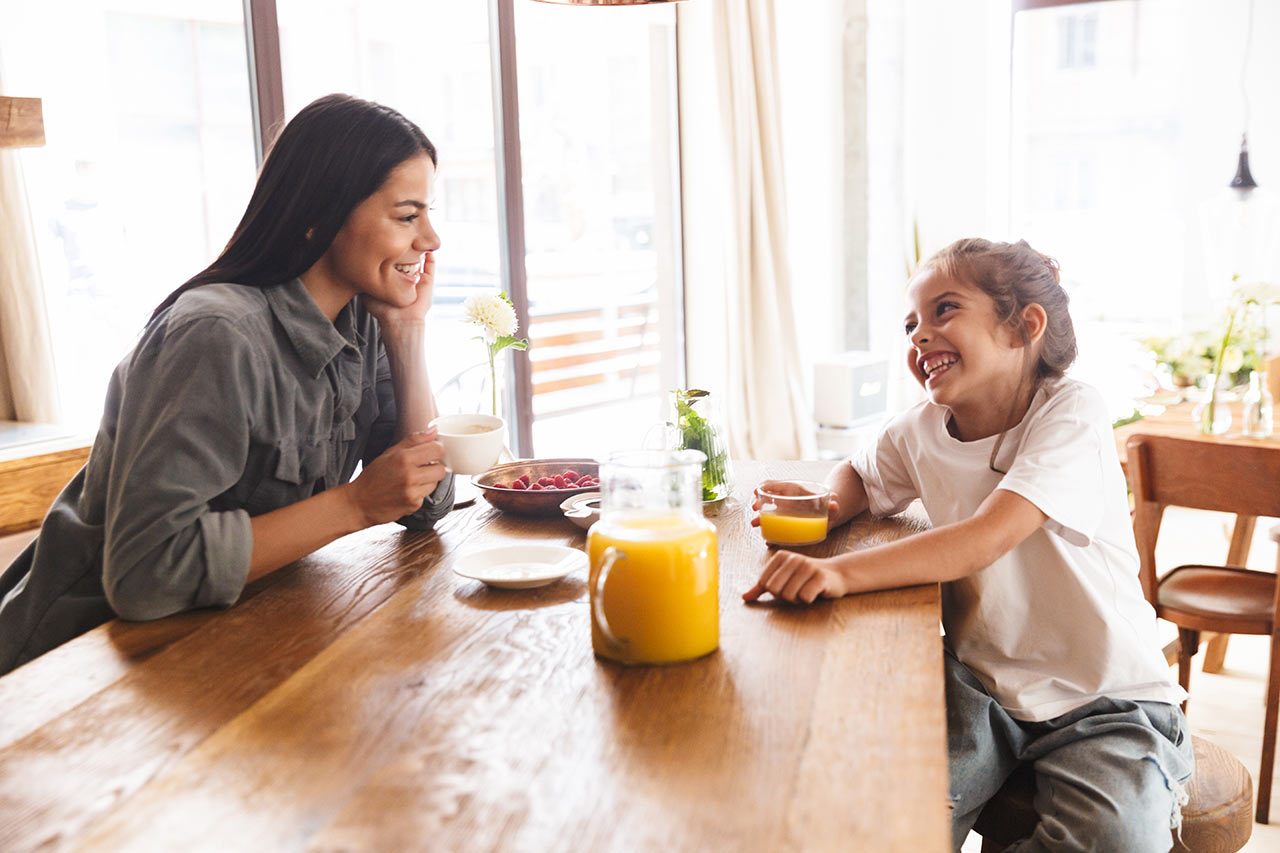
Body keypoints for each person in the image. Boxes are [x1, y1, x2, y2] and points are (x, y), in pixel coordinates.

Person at [745, 238, 1193, 851]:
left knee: (1117, 839)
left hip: (1104, 698)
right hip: (979, 684)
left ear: (1023, 327)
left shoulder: (1070, 411)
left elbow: (986, 536)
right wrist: (827, 505)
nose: (919, 336)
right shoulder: (919, 429)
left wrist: (842, 573)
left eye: (944, 310)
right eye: (911, 324)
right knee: (888, 808)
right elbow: (861, 471)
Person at [0, 94, 455, 675]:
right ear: (320, 214)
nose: (432, 239)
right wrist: (355, 503)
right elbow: (145, 575)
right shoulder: (216, 334)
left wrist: (407, 333)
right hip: (76, 669)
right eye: (408, 215)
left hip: (227, 643)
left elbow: (425, 503)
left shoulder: (363, 320)